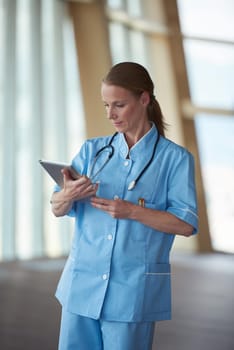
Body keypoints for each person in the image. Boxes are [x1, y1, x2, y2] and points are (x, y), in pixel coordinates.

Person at [50, 62, 198, 350]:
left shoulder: (175, 159)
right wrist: (67, 195)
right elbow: (57, 208)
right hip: (81, 285)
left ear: (144, 99)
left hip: (132, 292)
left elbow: (186, 224)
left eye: (119, 105)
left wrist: (133, 211)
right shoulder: (92, 151)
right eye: (106, 105)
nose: (110, 114)